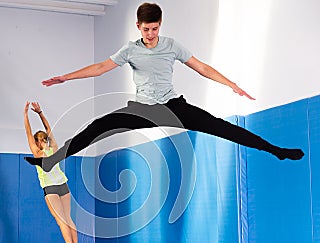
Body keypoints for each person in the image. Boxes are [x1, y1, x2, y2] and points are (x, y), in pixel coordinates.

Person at [25, 2, 304, 172]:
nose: (150, 34)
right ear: (138, 26)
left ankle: (276, 150)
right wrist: (66, 77)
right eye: (146, 29)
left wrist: (231, 84)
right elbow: (101, 67)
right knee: (98, 126)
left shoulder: (171, 45)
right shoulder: (130, 49)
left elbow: (202, 67)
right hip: (142, 109)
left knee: (220, 126)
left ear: (160, 26)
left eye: (155, 29)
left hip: (172, 106)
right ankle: (52, 160)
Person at [24, 101, 80, 243]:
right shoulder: (53, 148)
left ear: (37, 141)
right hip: (63, 185)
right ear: (46, 140)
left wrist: (25, 115)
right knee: (68, 217)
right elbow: (49, 129)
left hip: (51, 188)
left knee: (60, 219)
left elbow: (28, 133)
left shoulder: (37, 152)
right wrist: (40, 113)